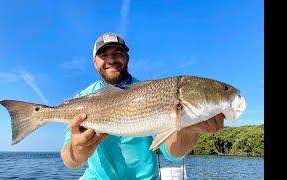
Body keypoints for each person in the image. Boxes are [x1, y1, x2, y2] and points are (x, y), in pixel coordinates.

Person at [60, 32, 225, 179]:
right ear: (95, 62)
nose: (111, 60)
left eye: (118, 53)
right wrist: (78, 150)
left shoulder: (151, 91)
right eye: (103, 55)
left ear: (127, 58)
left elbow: (173, 154)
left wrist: (188, 129)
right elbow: (70, 161)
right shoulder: (82, 100)